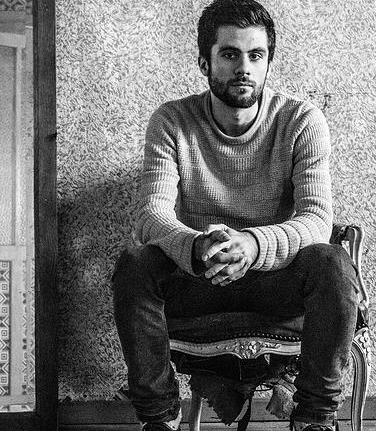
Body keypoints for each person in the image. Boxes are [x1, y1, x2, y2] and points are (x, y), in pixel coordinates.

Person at [112, 0, 359, 430]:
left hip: (275, 280)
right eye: (230, 54)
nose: (244, 67)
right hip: (200, 276)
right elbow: (151, 214)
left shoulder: (301, 120)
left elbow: (317, 220)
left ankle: (314, 419)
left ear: (268, 63)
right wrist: (197, 246)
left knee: (332, 262)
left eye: (256, 55)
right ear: (204, 62)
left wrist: (253, 244)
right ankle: (159, 418)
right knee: (135, 264)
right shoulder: (171, 121)